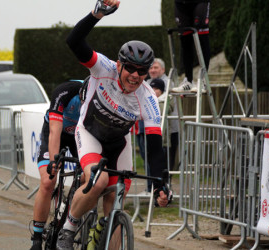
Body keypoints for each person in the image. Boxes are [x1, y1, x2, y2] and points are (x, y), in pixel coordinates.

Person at [57, 1, 170, 249]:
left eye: (141, 71)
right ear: (119, 65)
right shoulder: (103, 68)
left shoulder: (148, 97)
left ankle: (108, 237)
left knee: (117, 198)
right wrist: (96, 14)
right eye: (130, 67)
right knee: (98, 181)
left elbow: (154, 145)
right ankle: (69, 227)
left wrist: (162, 182)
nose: (135, 75)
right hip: (89, 133)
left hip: (118, 142)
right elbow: (74, 42)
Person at [30, 79, 87, 250]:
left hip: (79, 136)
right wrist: (54, 162)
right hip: (57, 131)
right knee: (48, 181)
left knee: (88, 177)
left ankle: (71, 211)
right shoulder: (65, 92)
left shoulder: (101, 101)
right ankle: (37, 237)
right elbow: (54, 131)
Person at [171, 0, 210, 94]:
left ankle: (203, 80)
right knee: (185, 40)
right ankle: (188, 80)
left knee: (202, 38)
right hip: (180, 3)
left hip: (200, 2)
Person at [149, 58, 180, 171]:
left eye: (156, 67)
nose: (153, 70)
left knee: (168, 157)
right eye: (151, 68)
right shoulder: (147, 83)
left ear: (163, 69)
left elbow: (169, 104)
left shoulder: (169, 83)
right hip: (153, 126)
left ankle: (166, 183)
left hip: (170, 126)